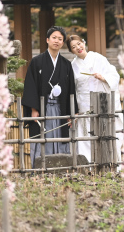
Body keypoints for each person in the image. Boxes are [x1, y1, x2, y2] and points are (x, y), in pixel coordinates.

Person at [21, 26, 77, 167]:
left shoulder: (66, 65)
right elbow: (30, 86)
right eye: (54, 38)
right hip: (42, 108)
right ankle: (40, 170)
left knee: (60, 137)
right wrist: (34, 109)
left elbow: (71, 89)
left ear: (63, 43)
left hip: (60, 109)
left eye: (60, 39)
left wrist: (71, 112)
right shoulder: (37, 62)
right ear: (47, 40)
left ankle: (60, 168)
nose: (57, 41)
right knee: (42, 137)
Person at [67, 34, 123, 163]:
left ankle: (109, 163)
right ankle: (88, 165)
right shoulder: (73, 65)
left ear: (84, 43)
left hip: (102, 102)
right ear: (71, 51)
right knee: (85, 135)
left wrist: (103, 78)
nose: (78, 48)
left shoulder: (98, 58)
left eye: (79, 44)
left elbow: (114, 75)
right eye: (74, 47)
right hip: (84, 104)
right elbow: (73, 88)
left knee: (106, 133)